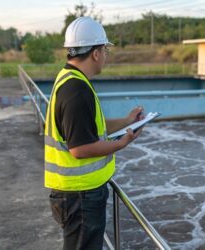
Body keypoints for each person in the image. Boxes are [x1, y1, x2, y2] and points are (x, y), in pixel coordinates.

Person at [44, 16, 143, 250]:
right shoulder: (76, 90)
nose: (106, 56)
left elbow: (89, 128)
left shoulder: (70, 79)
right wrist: (122, 143)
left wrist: (127, 121)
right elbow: (80, 148)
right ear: (96, 53)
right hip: (80, 196)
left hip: (77, 195)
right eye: (105, 50)